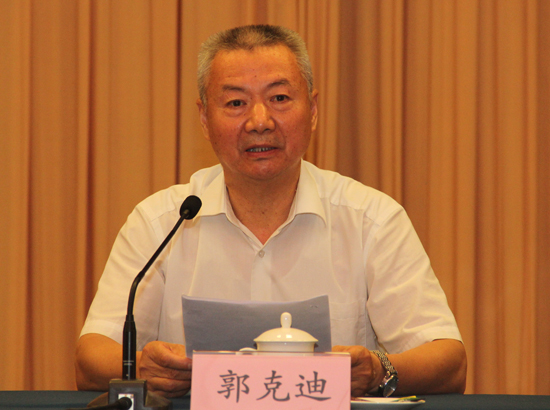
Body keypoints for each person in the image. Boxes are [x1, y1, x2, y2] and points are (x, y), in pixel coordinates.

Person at [75, 24, 467, 398]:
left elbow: (448, 360)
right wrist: (142, 367)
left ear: (313, 110)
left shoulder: (371, 219)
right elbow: (92, 355)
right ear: (204, 119)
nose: (259, 122)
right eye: (236, 103)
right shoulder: (162, 221)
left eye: (279, 98)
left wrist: (378, 369)